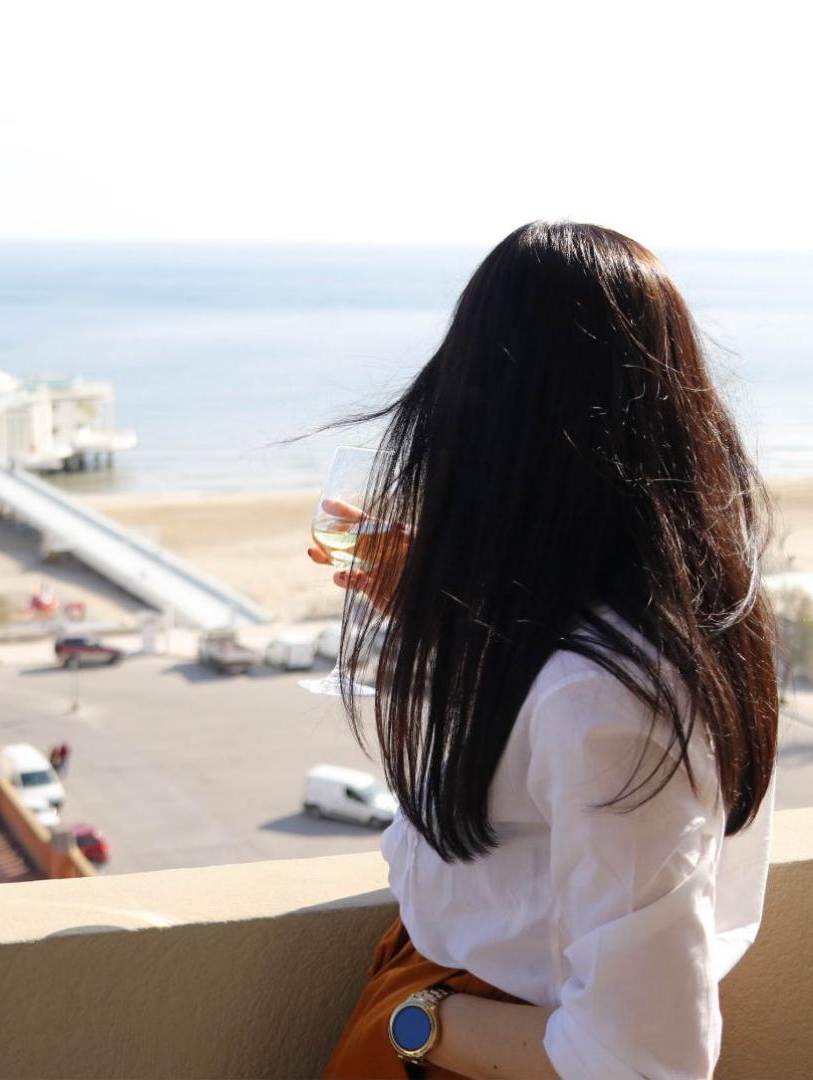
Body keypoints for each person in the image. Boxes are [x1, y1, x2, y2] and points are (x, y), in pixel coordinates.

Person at [307, 222, 778, 1080]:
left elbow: (642, 1060)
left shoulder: (608, 699)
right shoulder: (661, 623)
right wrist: (447, 609)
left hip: (468, 1036)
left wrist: (419, 1023)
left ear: (499, 432)